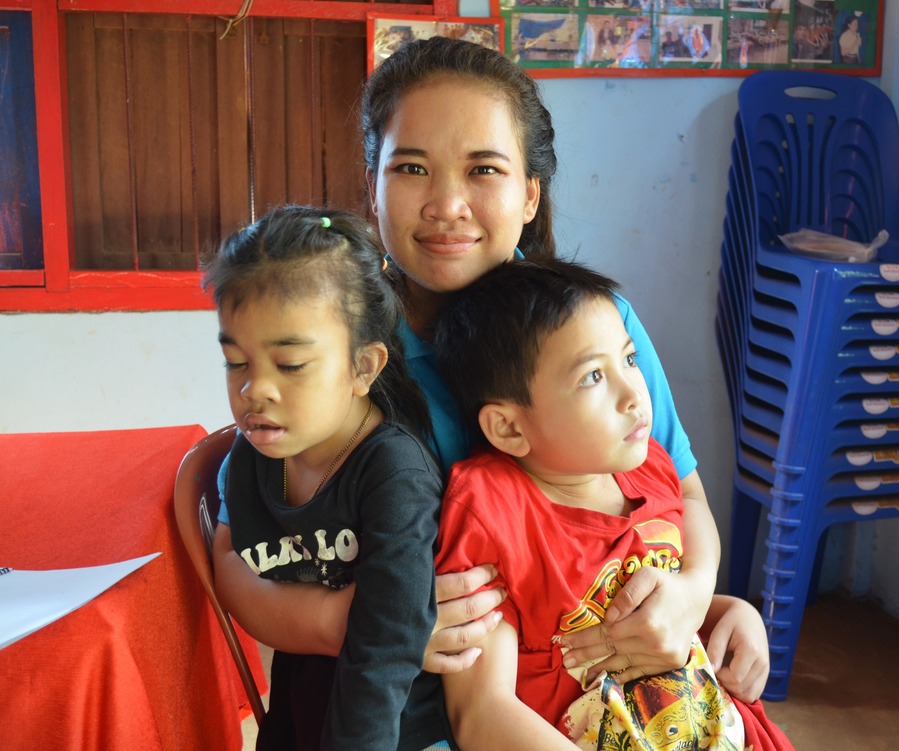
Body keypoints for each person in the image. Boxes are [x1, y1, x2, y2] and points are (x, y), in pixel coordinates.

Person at [213, 36, 770, 748]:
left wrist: (694, 595)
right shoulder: (336, 347)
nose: (446, 203)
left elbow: (674, 494)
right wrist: (364, 619)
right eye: (410, 167)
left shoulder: (598, 328)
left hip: (584, 696)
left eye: (484, 169)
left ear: (530, 193)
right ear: (372, 184)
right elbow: (241, 541)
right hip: (393, 707)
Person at [433, 258, 792, 750]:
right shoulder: (492, 512)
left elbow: (664, 606)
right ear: (509, 428)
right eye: (591, 378)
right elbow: (481, 714)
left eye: (627, 359)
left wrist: (730, 612)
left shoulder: (651, 466)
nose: (633, 394)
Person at [205, 206, 448, 749]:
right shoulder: (250, 458)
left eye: (289, 366)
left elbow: (383, 653)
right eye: (236, 361)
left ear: (364, 368)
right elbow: (229, 560)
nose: (254, 391)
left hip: (396, 727)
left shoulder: (393, 475)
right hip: (301, 716)